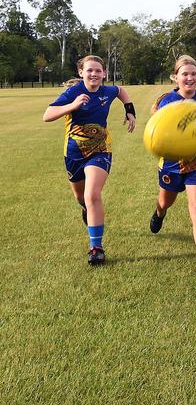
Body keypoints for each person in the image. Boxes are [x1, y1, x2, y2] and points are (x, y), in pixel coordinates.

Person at [43, 55, 136, 266]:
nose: (94, 74)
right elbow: (47, 115)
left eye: (98, 71)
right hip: (74, 153)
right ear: (81, 73)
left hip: (100, 150)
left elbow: (121, 91)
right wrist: (72, 106)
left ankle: (96, 248)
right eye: (89, 70)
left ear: (104, 73)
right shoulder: (73, 92)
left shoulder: (107, 91)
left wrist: (129, 111)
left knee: (92, 194)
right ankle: (86, 208)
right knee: (81, 197)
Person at [148, 55, 196, 276]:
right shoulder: (167, 102)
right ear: (176, 77)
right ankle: (159, 213)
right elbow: (160, 133)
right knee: (165, 201)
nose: (189, 78)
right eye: (185, 74)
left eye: (193, 74)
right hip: (171, 162)